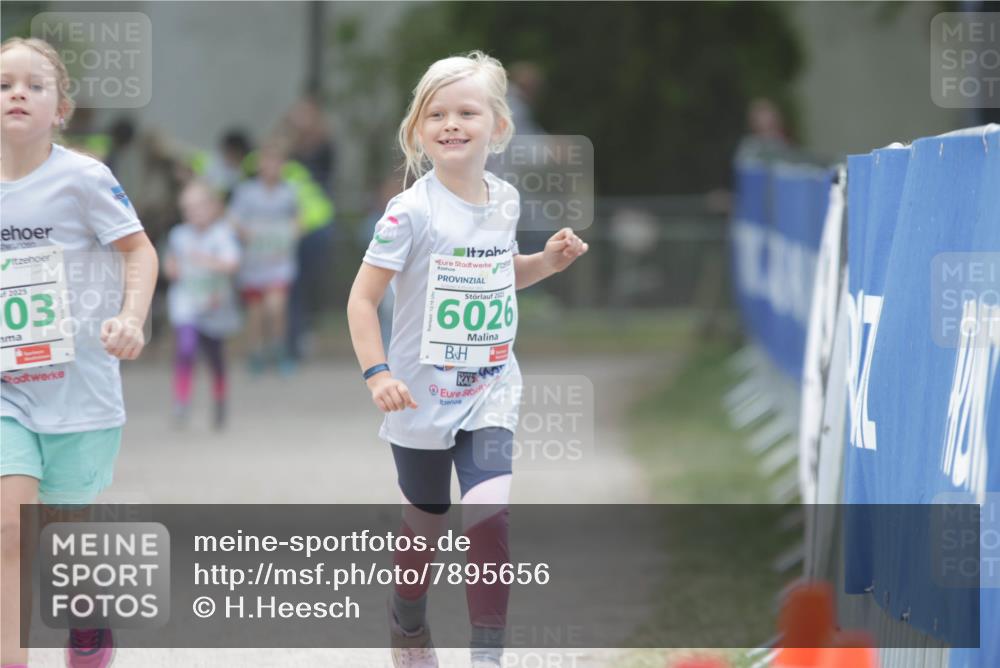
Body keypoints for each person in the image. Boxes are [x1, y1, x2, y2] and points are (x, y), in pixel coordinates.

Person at [346, 51, 588, 668]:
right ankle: (407, 618)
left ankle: (487, 657)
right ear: (417, 131)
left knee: (489, 517)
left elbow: (501, 274)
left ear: (498, 126)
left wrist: (545, 262)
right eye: (436, 114)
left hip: (489, 387)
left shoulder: (504, 200)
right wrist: (378, 374)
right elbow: (362, 299)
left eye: (467, 113)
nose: (451, 124)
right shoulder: (410, 211)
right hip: (420, 396)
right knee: (425, 525)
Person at [0, 37, 158, 668]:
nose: (16, 94)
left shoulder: (84, 179)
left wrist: (131, 317)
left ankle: (86, 617)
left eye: (33, 85)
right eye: (3, 84)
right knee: (9, 529)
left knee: (66, 538)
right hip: (6, 389)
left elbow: (139, 251)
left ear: (61, 108)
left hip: (79, 390)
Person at [164, 181, 242, 427]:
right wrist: (171, 268)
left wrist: (206, 261)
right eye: (188, 208)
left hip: (213, 304)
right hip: (186, 301)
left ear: (212, 207)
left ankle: (220, 400)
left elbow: (232, 264)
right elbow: (170, 262)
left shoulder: (222, 233)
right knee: (186, 349)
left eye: (199, 206)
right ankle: (181, 402)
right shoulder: (178, 235)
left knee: (214, 355)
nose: (194, 212)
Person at [228, 143, 299, 374]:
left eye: (276, 162)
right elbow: (233, 220)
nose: (271, 167)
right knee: (256, 313)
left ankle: (279, 349)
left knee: (275, 307)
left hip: (278, 262)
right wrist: (246, 233)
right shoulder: (246, 192)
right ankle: (256, 352)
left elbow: (298, 219)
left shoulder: (289, 192)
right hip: (254, 263)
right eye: (267, 162)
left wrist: (290, 234)